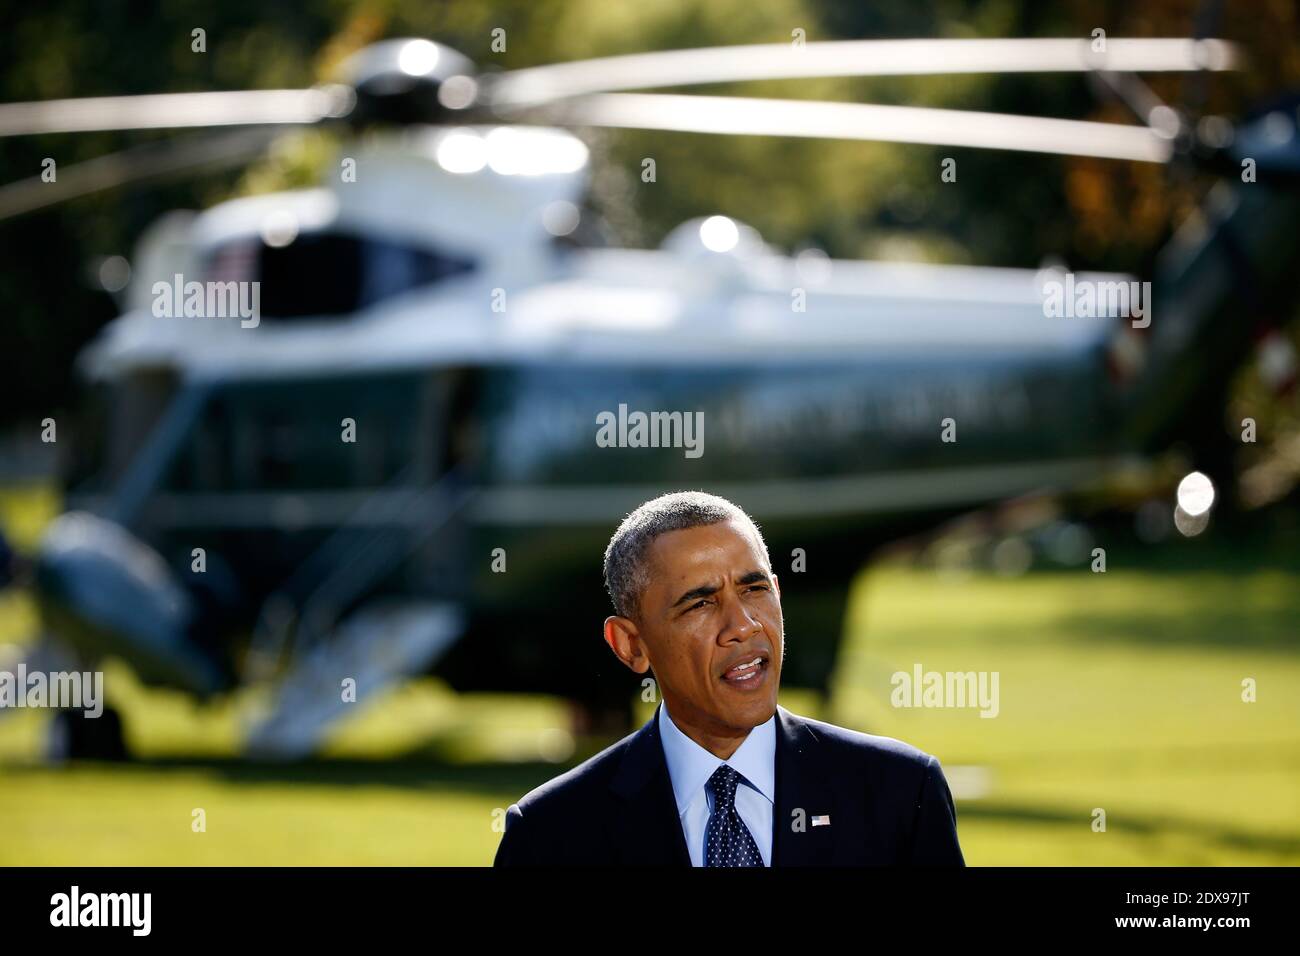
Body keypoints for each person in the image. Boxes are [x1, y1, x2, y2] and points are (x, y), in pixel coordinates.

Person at [494, 490, 964, 866]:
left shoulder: (902, 793)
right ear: (630, 645)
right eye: (700, 602)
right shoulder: (551, 834)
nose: (743, 625)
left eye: (755, 589)